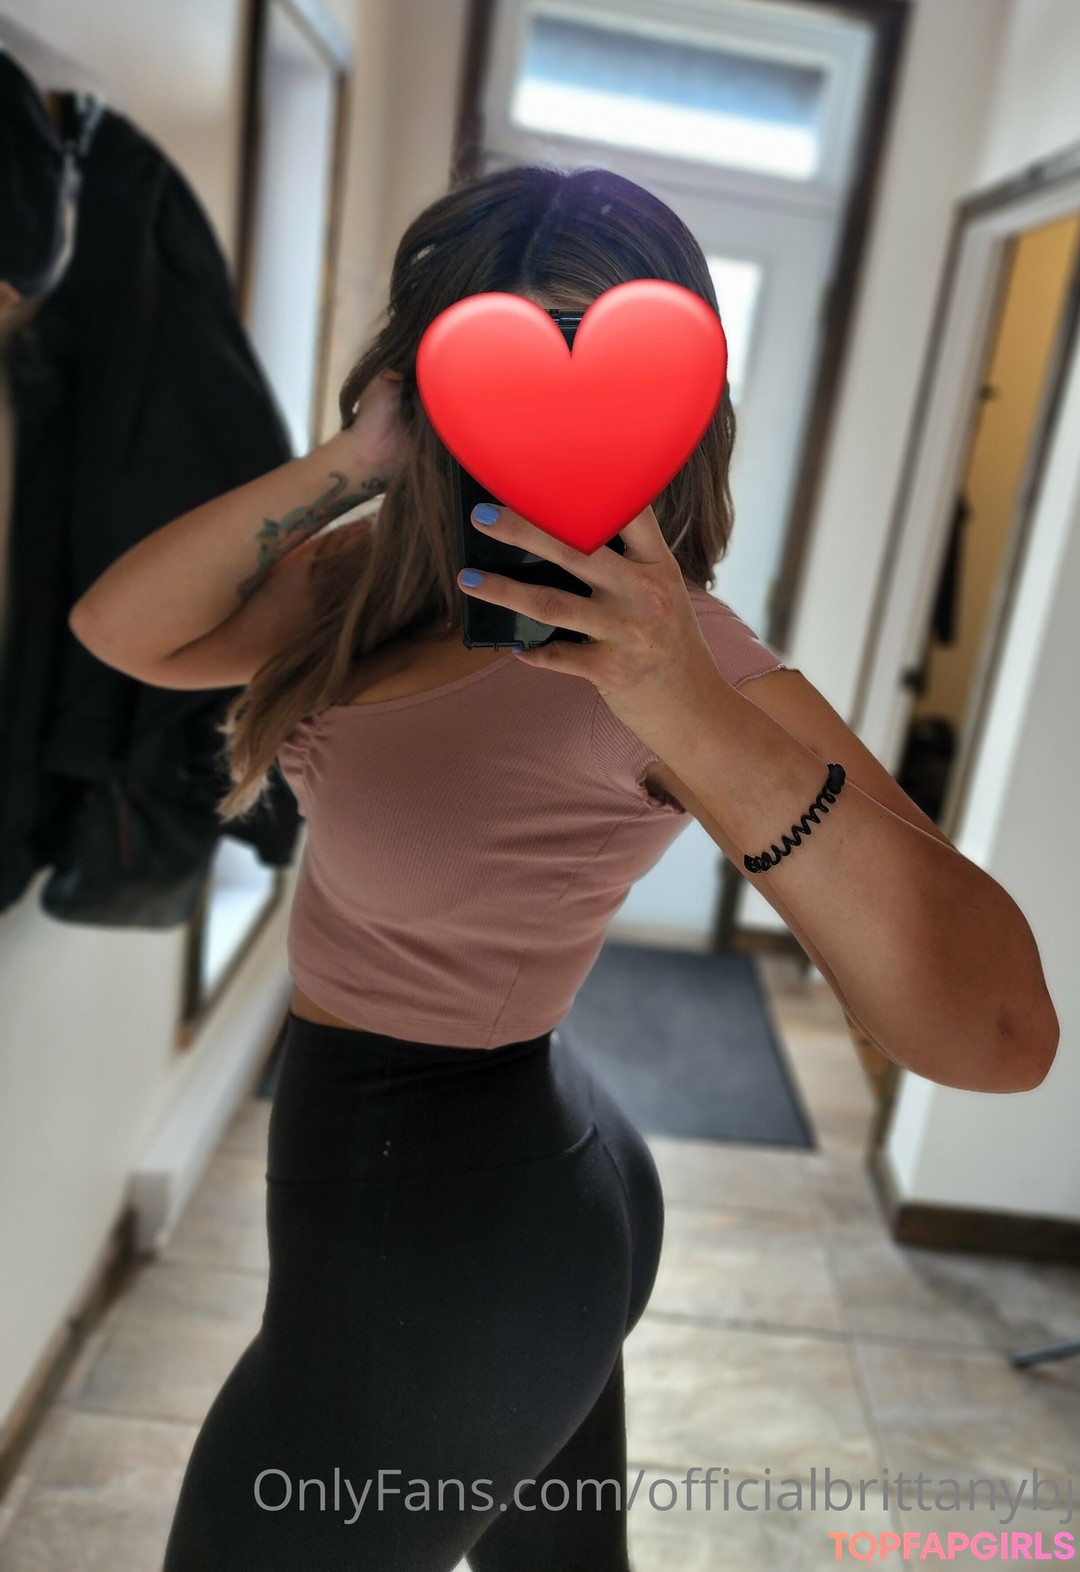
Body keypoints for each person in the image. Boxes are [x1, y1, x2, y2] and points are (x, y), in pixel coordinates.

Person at [69, 163, 1058, 1571]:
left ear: (681, 412)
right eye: (500, 375)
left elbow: (999, 1035)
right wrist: (358, 461)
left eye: (601, 375)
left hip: (468, 1241)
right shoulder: (377, 584)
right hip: (488, 1173)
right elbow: (123, 630)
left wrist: (685, 706)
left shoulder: (686, 661)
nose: (548, 428)